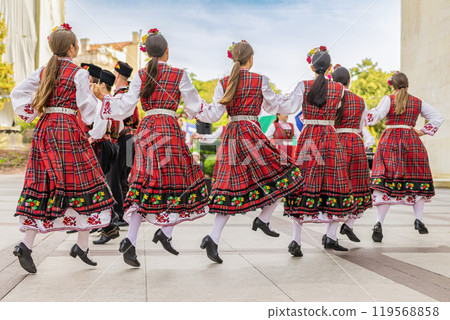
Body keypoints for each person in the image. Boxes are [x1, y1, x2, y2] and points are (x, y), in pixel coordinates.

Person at [92, 28, 209, 267]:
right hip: (168, 130)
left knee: (144, 184)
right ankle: (164, 233)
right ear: (167, 51)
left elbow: (125, 106)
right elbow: (195, 106)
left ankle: (134, 241)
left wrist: (105, 101)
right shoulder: (179, 74)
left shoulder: (142, 75)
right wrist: (198, 110)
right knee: (178, 182)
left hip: (146, 131)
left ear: (147, 52)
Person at [10, 24, 114, 273]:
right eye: (76, 45)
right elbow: (86, 107)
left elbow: (17, 92)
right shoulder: (78, 73)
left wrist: (35, 112)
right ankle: (80, 245)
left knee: (43, 184)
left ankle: (31, 244)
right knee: (86, 183)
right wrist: (99, 114)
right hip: (67, 130)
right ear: (71, 47)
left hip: (46, 129)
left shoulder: (45, 70)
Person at [195, 41, 303, 263]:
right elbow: (273, 107)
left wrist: (195, 110)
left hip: (232, 135)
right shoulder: (259, 80)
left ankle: (213, 238)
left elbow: (214, 114)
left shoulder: (224, 82)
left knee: (228, 188)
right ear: (251, 59)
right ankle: (262, 219)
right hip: (251, 135)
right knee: (287, 176)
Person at [283, 47, 356, 256]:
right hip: (329, 136)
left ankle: (296, 241)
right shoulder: (339, 89)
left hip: (309, 136)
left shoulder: (303, 86)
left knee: (303, 183)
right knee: (334, 183)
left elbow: (289, 107)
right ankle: (330, 236)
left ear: (311, 66)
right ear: (331, 67)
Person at [366, 72, 444, 242]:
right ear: (408, 85)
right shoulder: (417, 102)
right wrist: (422, 131)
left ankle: (379, 223)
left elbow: (376, 117)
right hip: (411, 142)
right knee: (417, 180)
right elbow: (438, 117)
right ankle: (419, 220)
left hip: (390, 141)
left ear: (391, 86)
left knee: (384, 182)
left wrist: (364, 114)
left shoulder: (388, 99)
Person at [331, 66, 372, 242]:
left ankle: (329, 235)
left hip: (335, 140)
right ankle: (349, 224)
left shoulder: (330, 99)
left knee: (335, 187)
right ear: (350, 81)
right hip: (355, 142)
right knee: (358, 185)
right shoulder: (360, 100)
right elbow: (362, 125)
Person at [88, 69, 121, 245]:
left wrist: (88, 138)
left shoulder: (102, 102)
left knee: (99, 186)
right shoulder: (98, 101)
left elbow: (100, 129)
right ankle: (107, 224)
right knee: (100, 185)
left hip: (100, 145)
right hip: (101, 144)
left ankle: (110, 224)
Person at [108, 61, 138, 228]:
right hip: (130, 138)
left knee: (115, 177)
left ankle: (120, 213)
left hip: (123, 138)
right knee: (122, 177)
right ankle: (126, 211)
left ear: (118, 75)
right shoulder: (128, 92)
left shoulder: (121, 94)